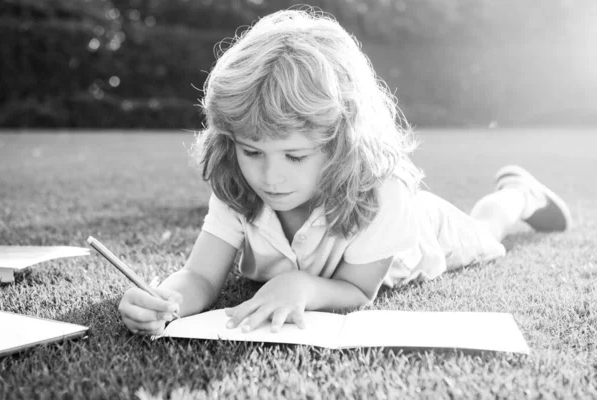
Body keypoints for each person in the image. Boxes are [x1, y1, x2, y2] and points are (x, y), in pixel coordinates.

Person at [118, 8, 571, 335]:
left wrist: (300, 286)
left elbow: (356, 292)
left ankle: (520, 193)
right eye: (252, 150)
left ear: (342, 141)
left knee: (486, 235)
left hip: (425, 235)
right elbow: (200, 276)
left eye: (295, 157)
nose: (269, 177)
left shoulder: (383, 192)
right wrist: (167, 301)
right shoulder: (237, 182)